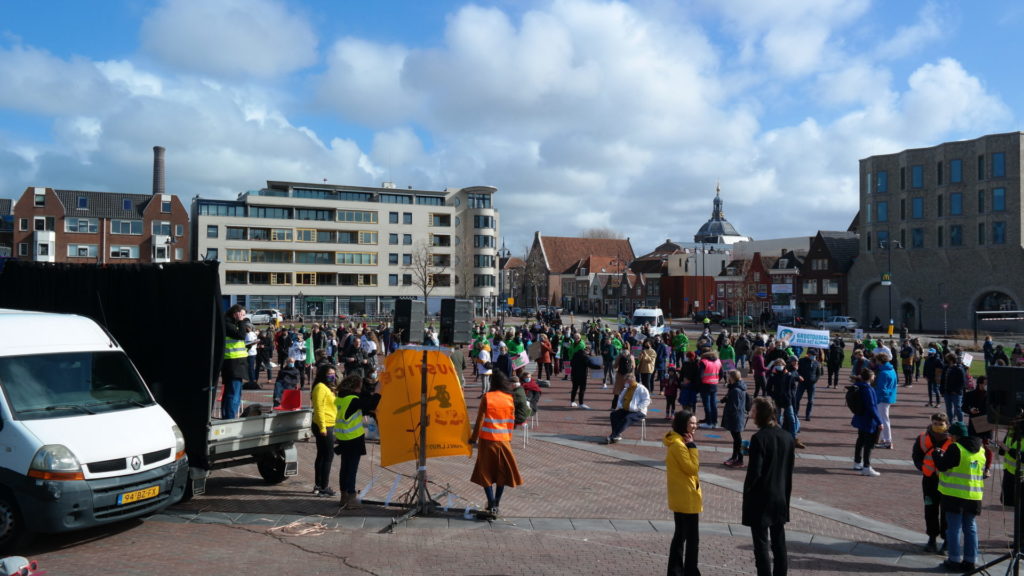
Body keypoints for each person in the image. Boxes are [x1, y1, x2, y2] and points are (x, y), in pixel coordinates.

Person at [742, 397, 795, 576]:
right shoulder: (787, 437)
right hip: (781, 494)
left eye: (753, 410)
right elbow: (788, 469)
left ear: (760, 414)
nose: (751, 413)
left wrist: (748, 491)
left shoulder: (759, 438)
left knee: (761, 544)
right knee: (779, 542)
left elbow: (754, 473)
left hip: (761, 497)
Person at [469, 371, 524, 519]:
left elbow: (480, 420)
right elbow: (511, 421)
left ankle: (491, 502)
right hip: (504, 440)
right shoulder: (509, 398)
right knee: (502, 473)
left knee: (485, 471)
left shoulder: (487, 397)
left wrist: (473, 438)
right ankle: (496, 504)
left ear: (493, 382)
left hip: (487, 440)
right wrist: (508, 439)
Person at [933, 421, 986, 572]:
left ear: (955, 436)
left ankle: (954, 560)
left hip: (954, 494)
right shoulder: (980, 449)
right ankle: (970, 560)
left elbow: (943, 465)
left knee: (954, 528)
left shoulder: (956, 448)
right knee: (970, 528)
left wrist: (937, 455)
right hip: (974, 495)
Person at [333, 373, 381, 509]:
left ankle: (343, 497)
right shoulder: (353, 400)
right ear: (356, 387)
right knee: (351, 470)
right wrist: (377, 393)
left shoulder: (341, 398)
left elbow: (362, 407)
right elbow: (371, 404)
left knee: (345, 468)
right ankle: (351, 498)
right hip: (353, 438)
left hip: (343, 437)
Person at [664, 410, 702, 575]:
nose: (695, 426)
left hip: (682, 496)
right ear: (682, 425)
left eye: (695, 423)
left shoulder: (677, 442)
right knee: (691, 539)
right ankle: (689, 571)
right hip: (687, 498)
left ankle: (676, 570)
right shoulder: (680, 445)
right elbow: (692, 469)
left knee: (680, 535)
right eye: (691, 423)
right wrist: (693, 447)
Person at [912, 412, 951, 554]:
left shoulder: (953, 440)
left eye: (941, 424)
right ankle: (932, 539)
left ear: (946, 425)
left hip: (947, 481)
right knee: (930, 509)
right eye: (935, 424)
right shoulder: (922, 438)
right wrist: (922, 467)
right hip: (929, 480)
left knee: (946, 511)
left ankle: (947, 541)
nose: (938, 427)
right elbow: (916, 456)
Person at [310, 364, 338, 497]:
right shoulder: (320, 388)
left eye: (333, 374)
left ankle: (319, 484)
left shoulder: (326, 387)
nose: (332, 376)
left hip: (328, 423)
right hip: (324, 425)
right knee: (327, 456)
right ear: (323, 375)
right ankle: (324, 486)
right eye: (329, 374)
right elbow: (319, 408)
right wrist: (322, 427)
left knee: (322, 455)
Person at [220, 304, 252, 420]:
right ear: (236, 314)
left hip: (236, 362)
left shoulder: (231, 324)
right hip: (233, 363)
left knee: (234, 393)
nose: (244, 317)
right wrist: (241, 322)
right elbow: (241, 335)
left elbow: (237, 341)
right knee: (233, 394)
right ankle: (229, 418)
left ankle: (228, 417)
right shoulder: (228, 324)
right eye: (242, 315)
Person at [851, 368, 883, 476]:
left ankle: (857, 462)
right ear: (870, 377)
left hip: (860, 417)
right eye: (873, 376)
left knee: (860, 440)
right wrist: (879, 421)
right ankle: (866, 466)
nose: (874, 377)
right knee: (868, 444)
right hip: (868, 420)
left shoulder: (859, 386)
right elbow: (872, 407)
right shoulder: (868, 389)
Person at [607, 374, 651, 444]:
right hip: (627, 409)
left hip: (639, 411)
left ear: (631, 381)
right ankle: (616, 435)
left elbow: (647, 400)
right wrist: (621, 405)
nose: (625, 383)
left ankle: (614, 435)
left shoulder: (641, 388)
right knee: (613, 414)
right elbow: (620, 399)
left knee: (627, 418)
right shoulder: (626, 389)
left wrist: (638, 408)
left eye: (627, 381)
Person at [721, 369, 748, 468]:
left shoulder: (736, 390)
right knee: (736, 439)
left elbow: (735, 405)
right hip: (737, 417)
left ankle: (739, 459)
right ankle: (735, 457)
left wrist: (729, 410)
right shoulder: (737, 387)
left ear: (732, 378)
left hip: (735, 417)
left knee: (737, 439)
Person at [873, 351, 898, 450]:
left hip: (883, 399)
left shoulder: (883, 373)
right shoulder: (891, 370)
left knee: (884, 420)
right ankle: (885, 439)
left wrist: (876, 398)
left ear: (880, 361)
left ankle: (888, 441)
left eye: (877, 361)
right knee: (884, 419)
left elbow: (881, 389)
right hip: (889, 397)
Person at [794, 349, 821, 421]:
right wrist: (799, 377)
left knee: (810, 401)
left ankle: (807, 415)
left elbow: (819, 373)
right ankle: (795, 413)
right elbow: (797, 371)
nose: (814, 357)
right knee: (797, 399)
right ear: (808, 354)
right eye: (813, 355)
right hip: (802, 383)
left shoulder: (817, 363)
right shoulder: (801, 361)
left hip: (811, 384)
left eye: (815, 355)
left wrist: (815, 380)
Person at [697, 351, 722, 429]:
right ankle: (714, 422)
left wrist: (699, 385)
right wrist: (716, 380)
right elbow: (722, 374)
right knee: (713, 404)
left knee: (707, 404)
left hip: (705, 385)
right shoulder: (718, 362)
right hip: (714, 384)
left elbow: (700, 375)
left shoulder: (704, 362)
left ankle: (709, 422)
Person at [940, 352, 966, 424]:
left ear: (951, 359)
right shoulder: (946, 368)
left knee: (958, 408)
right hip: (947, 392)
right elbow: (942, 380)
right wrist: (942, 390)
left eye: (947, 359)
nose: (946, 360)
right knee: (948, 409)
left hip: (956, 393)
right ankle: (950, 423)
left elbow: (962, 382)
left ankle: (961, 423)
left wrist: (956, 390)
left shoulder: (959, 368)